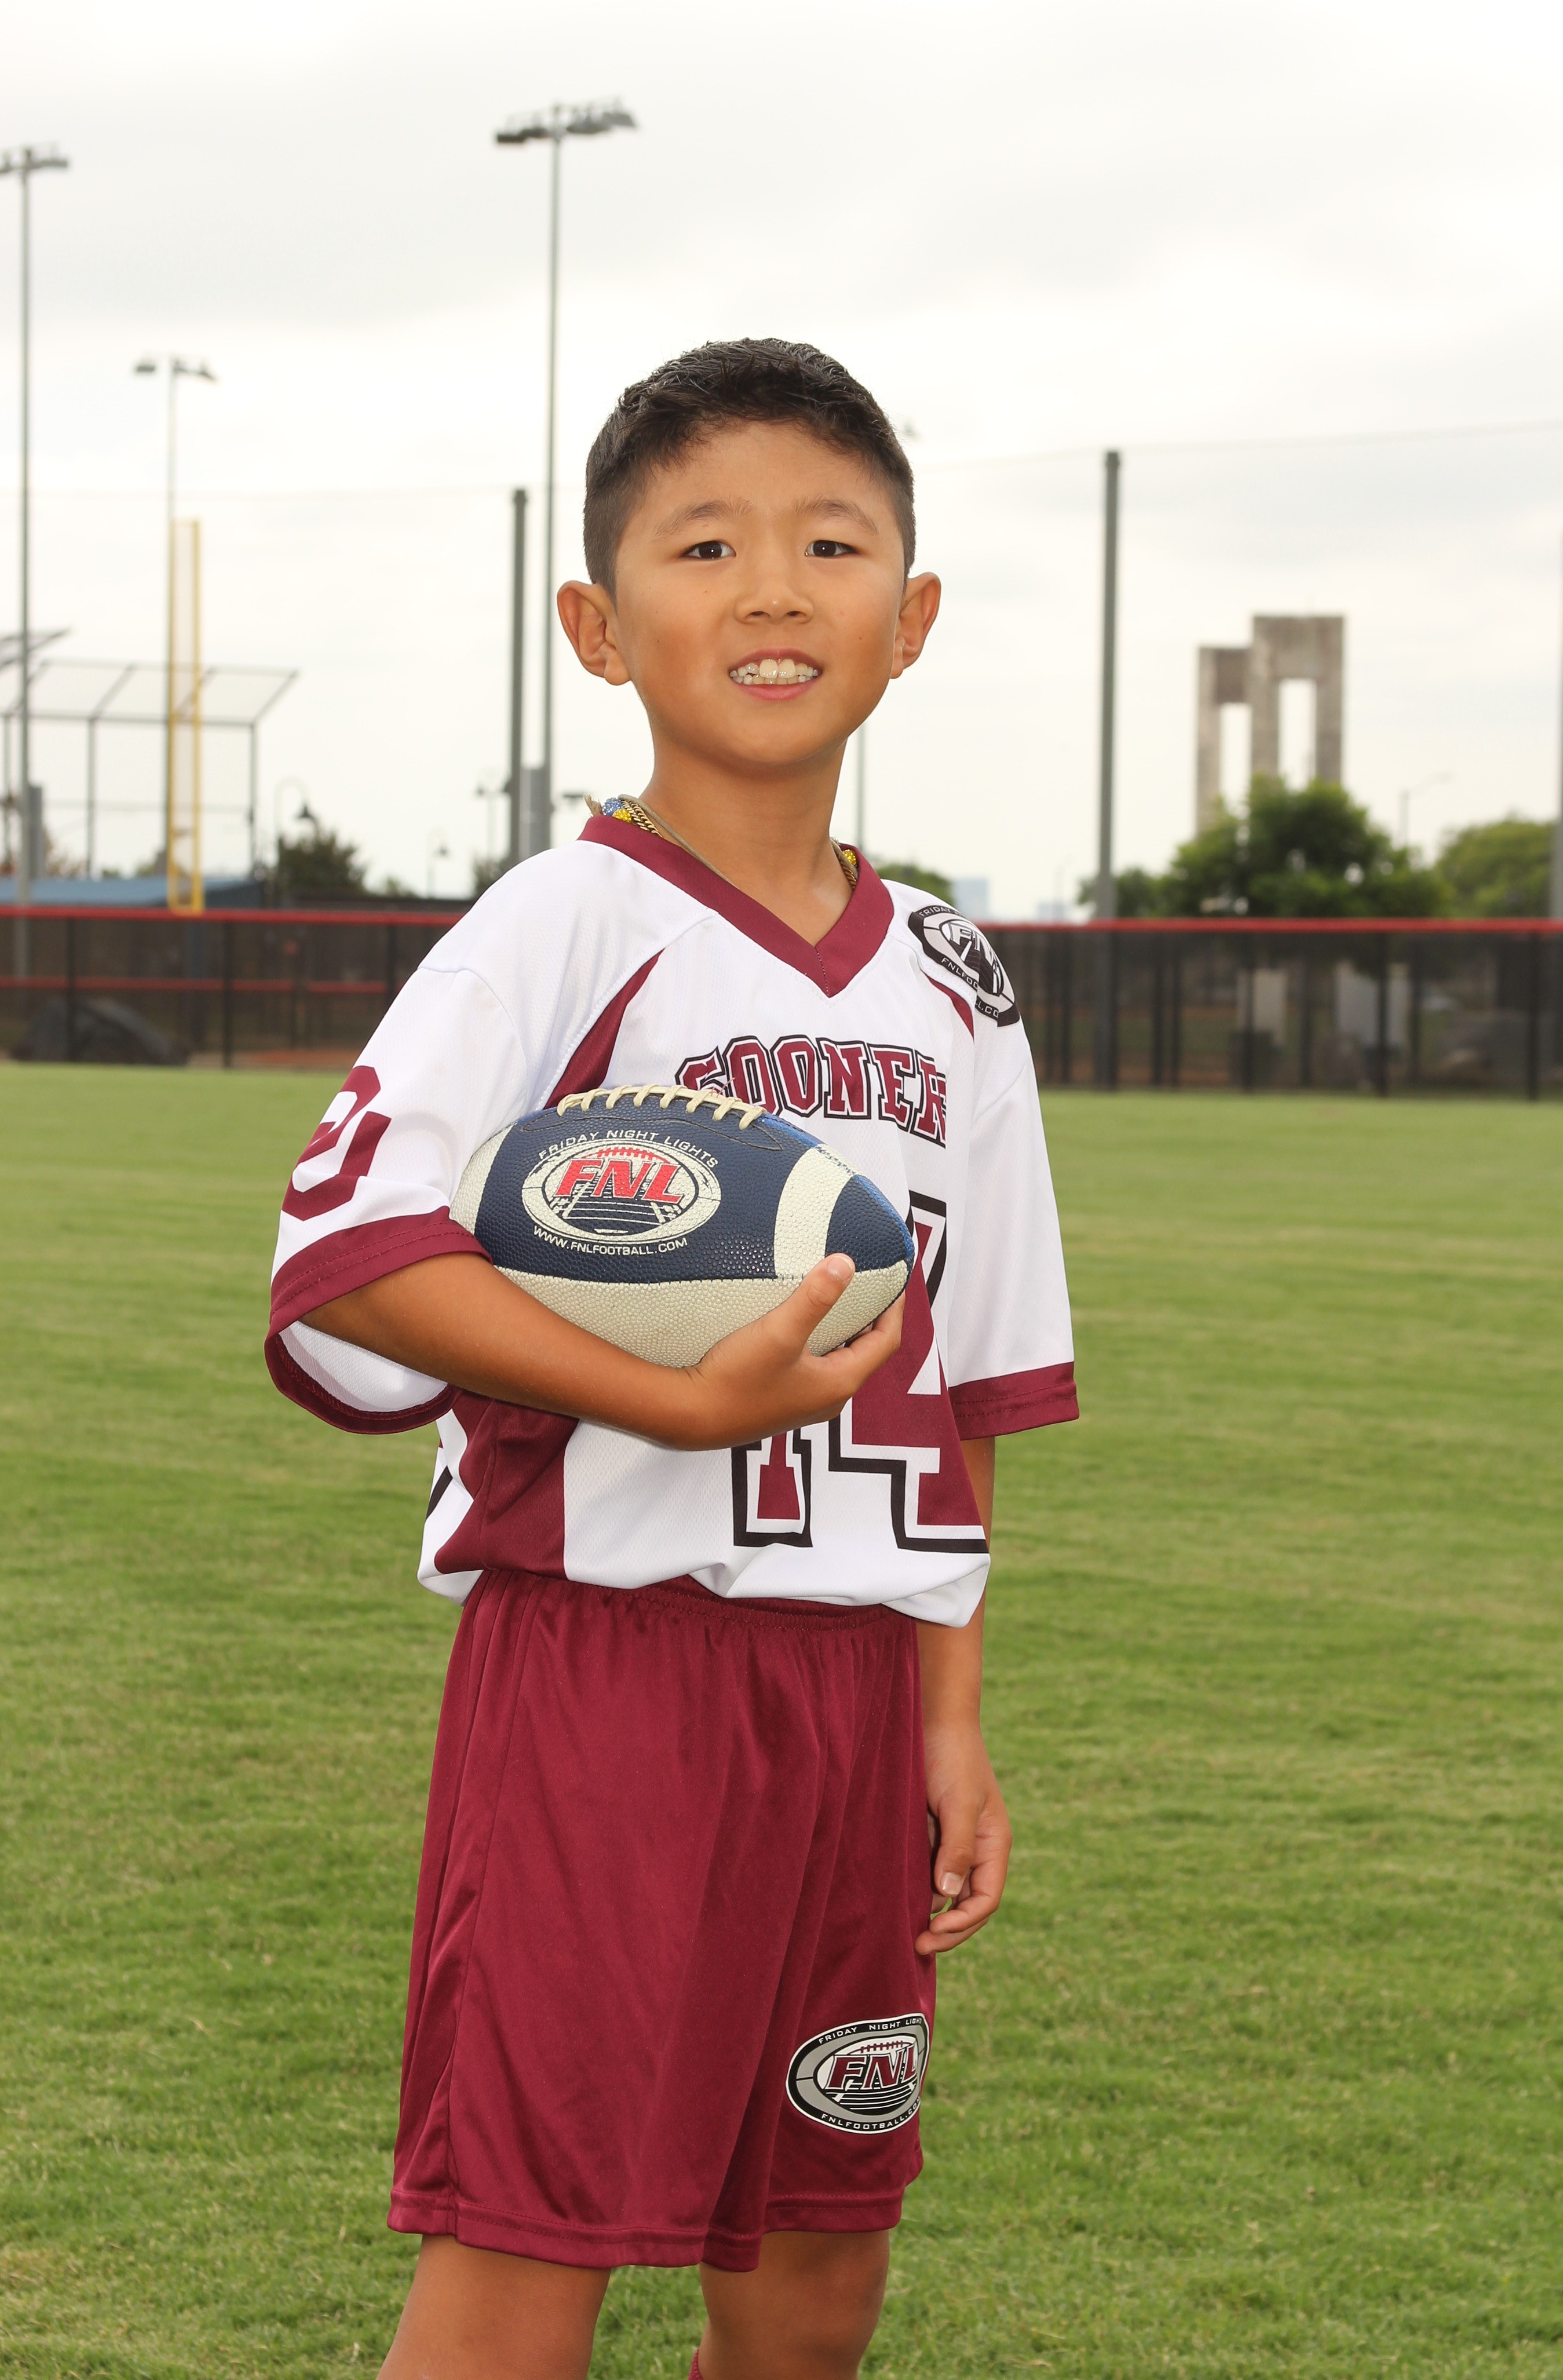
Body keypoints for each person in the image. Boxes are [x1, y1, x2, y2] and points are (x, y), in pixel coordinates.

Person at [265, 337, 1077, 2380]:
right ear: (599, 625)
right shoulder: (560, 921)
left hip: (855, 1696)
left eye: (833, 545)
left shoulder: (957, 981)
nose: (776, 587)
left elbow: (969, 1387)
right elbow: (347, 1254)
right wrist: (677, 1400)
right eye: (707, 545)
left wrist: (950, 1715)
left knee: (815, 2290)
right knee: (527, 2269)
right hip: (608, 1676)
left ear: (914, 616)